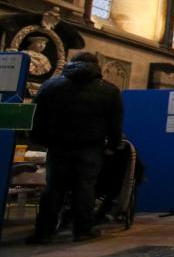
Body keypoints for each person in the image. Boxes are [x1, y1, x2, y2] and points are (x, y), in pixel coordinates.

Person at [26, 52, 124, 243]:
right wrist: (113, 145)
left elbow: (36, 116)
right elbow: (114, 123)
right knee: (85, 188)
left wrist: (39, 139)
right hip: (90, 146)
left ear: (71, 63)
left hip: (58, 146)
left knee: (54, 188)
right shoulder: (108, 90)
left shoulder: (51, 85)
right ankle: (82, 230)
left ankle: (43, 232)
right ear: (97, 66)